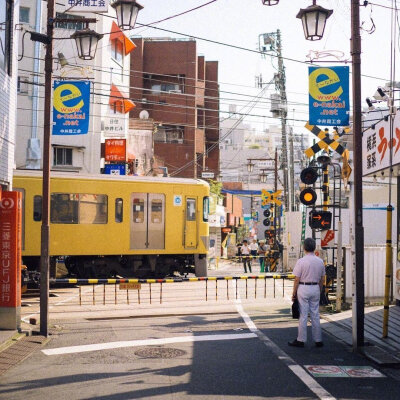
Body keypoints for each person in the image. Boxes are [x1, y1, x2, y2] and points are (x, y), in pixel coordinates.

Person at [288, 238, 325, 348]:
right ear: (314, 247)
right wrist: (319, 289)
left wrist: (294, 293)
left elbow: (296, 279)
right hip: (315, 288)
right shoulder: (320, 261)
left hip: (303, 288)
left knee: (303, 315)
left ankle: (301, 340)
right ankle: (318, 340)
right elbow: (322, 278)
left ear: (304, 248)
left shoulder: (301, 261)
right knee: (315, 314)